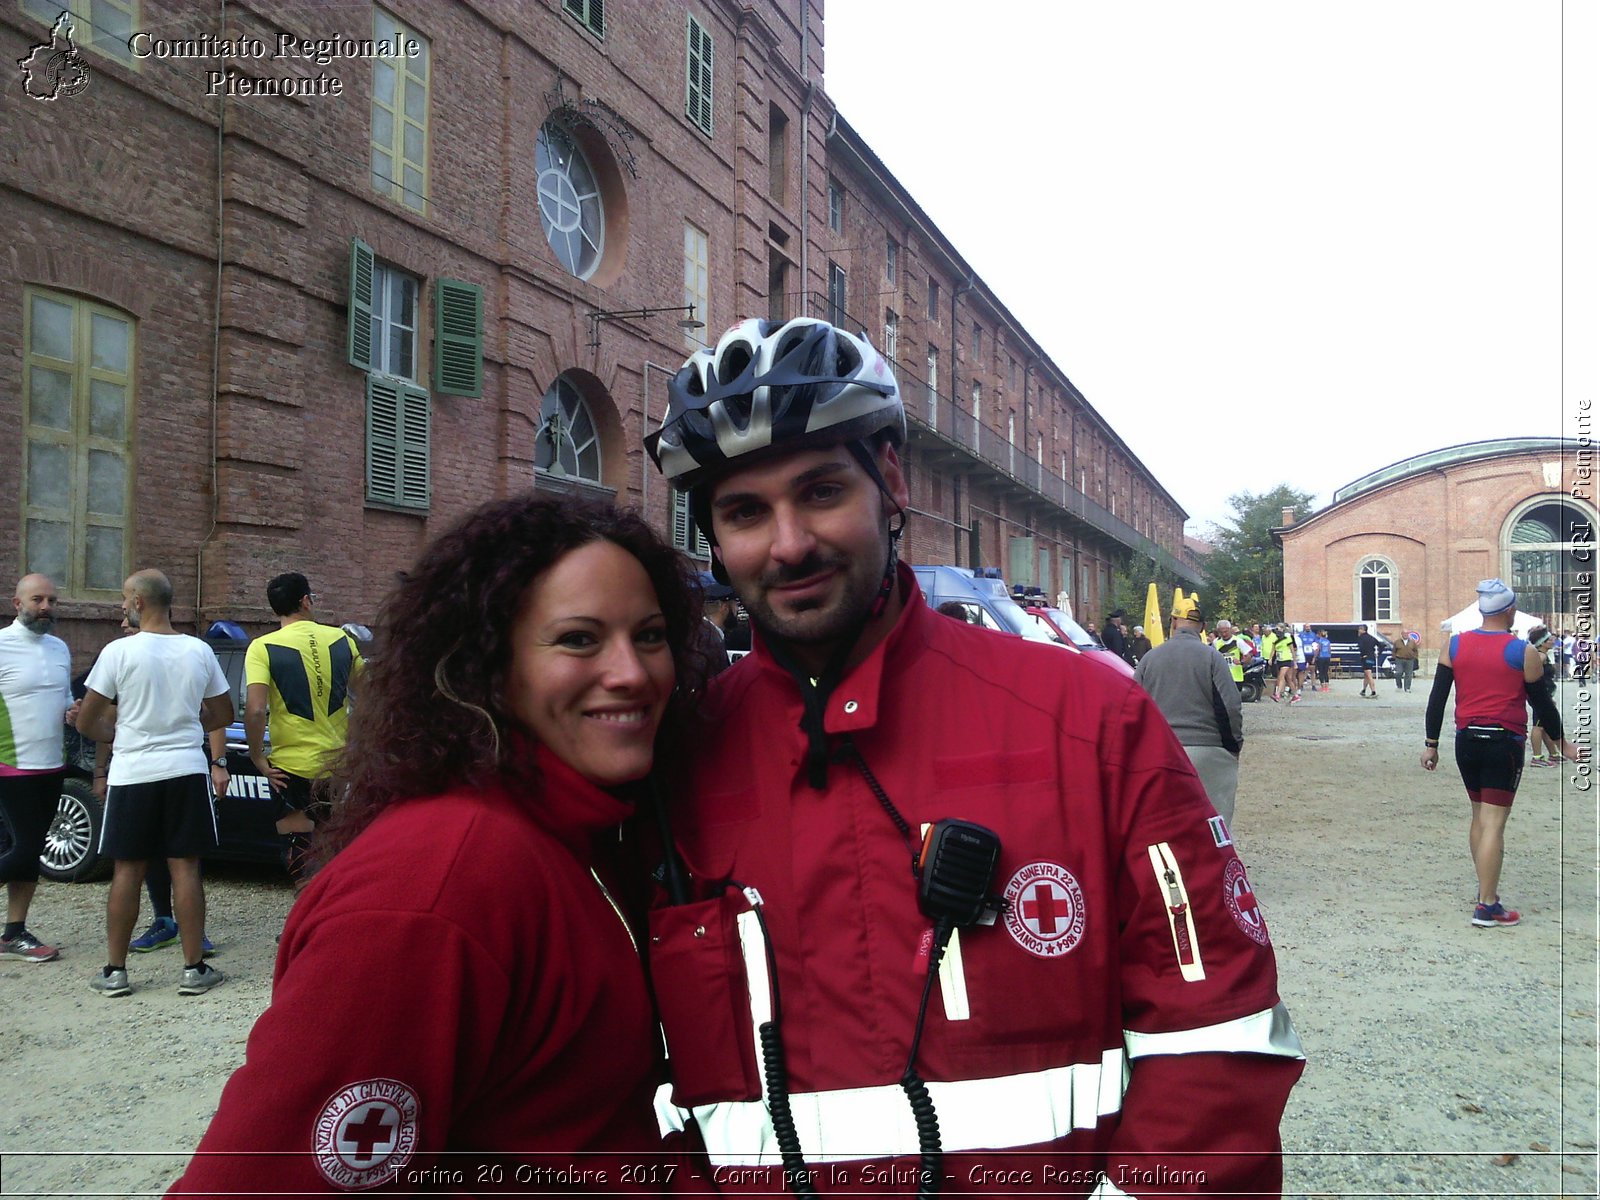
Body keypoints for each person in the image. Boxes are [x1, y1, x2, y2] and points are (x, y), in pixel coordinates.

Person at [643, 317, 1304, 1195]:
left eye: (822, 491)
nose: (789, 541)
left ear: (892, 484)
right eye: (745, 512)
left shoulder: (1091, 718)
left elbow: (1219, 1044)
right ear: (714, 541)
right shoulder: (671, 762)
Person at [172, 496, 696, 1193]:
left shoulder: (577, 828)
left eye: (651, 635)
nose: (633, 672)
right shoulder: (433, 888)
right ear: (487, 664)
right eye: (579, 639)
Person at [76, 570, 234, 996]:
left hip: (132, 772)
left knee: (128, 869)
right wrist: (187, 723)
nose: (121, 605)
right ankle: (193, 969)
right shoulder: (198, 650)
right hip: (185, 768)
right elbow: (223, 714)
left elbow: (89, 720)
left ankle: (115, 972)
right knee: (185, 866)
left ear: (140, 602)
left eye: (125, 597)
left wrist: (116, 731)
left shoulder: (118, 652)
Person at [1421, 580, 1585, 928]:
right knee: (1495, 822)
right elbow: (1543, 705)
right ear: (1509, 610)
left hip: (1466, 740)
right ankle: (1487, 904)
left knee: (1479, 815)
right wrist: (1564, 745)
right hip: (1503, 743)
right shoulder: (1522, 651)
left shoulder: (1455, 645)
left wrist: (1431, 743)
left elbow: (1437, 698)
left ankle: (1484, 891)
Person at [243, 573, 364, 887]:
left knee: (299, 855)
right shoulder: (342, 639)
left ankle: (308, 926)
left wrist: (258, 757)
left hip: (290, 768)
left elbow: (256, 709)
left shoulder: (262, 647)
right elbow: (369, 691)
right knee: (334, 852)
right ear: (306, 601)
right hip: (336, 766)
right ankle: (334, 925)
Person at [0, 573, 75, 963]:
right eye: (37, 600)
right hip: (10, 764)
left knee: (25, 851)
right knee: (25, 850)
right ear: (17, 604)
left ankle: (14, 932)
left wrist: (74, 711)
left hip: (52, 765)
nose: (46, 607)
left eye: (52, 601)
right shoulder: (1, 644)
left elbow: (64, 701)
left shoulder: (60, 648)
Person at [1135, 594, 1245, 824]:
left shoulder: (1149, 659)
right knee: (1215, 823)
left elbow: (1134, 708)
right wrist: (1234, 745)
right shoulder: (1212, 657)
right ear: (1203, 627)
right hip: (1208, 751)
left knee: (1164, 823)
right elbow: (1230, 706)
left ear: (1173, 621)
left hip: (1161, 752)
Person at [1525, 625, 1560, 767]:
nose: (1553, 640)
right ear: (1542, 642)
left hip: (1541, 695)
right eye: (1549, 639)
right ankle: (1537, 757)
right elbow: (1533, 674)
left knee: (1544, 724)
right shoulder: (1541, 655)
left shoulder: (1541, 654)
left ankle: (1553, 753)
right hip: (1541, 695)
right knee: (1538, 725)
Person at [1213, 618, 1252, 694]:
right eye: (1221, 632)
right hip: (1221, 677)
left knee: (1234, 701)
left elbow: (1249, 656)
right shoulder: (1216, 642)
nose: (1224, 634)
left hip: (1236, 677)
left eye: (1226, 632)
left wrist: (1241, 662)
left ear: (1230, 629)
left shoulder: (1238, 641)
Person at [1357, 624, 1381, 697]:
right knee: (1366, 675)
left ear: (1363, 630)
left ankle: (1373, 691)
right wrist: (1378, 653)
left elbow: (1361, 647)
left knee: (1369, 675)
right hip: (1372, 657)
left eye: (1359, 629)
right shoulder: (1372, 638)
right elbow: (1381, 645)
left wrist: (1364, 654)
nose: (1358, 631)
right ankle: (1363, 690)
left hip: (1365, 658)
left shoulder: (1361, 638)